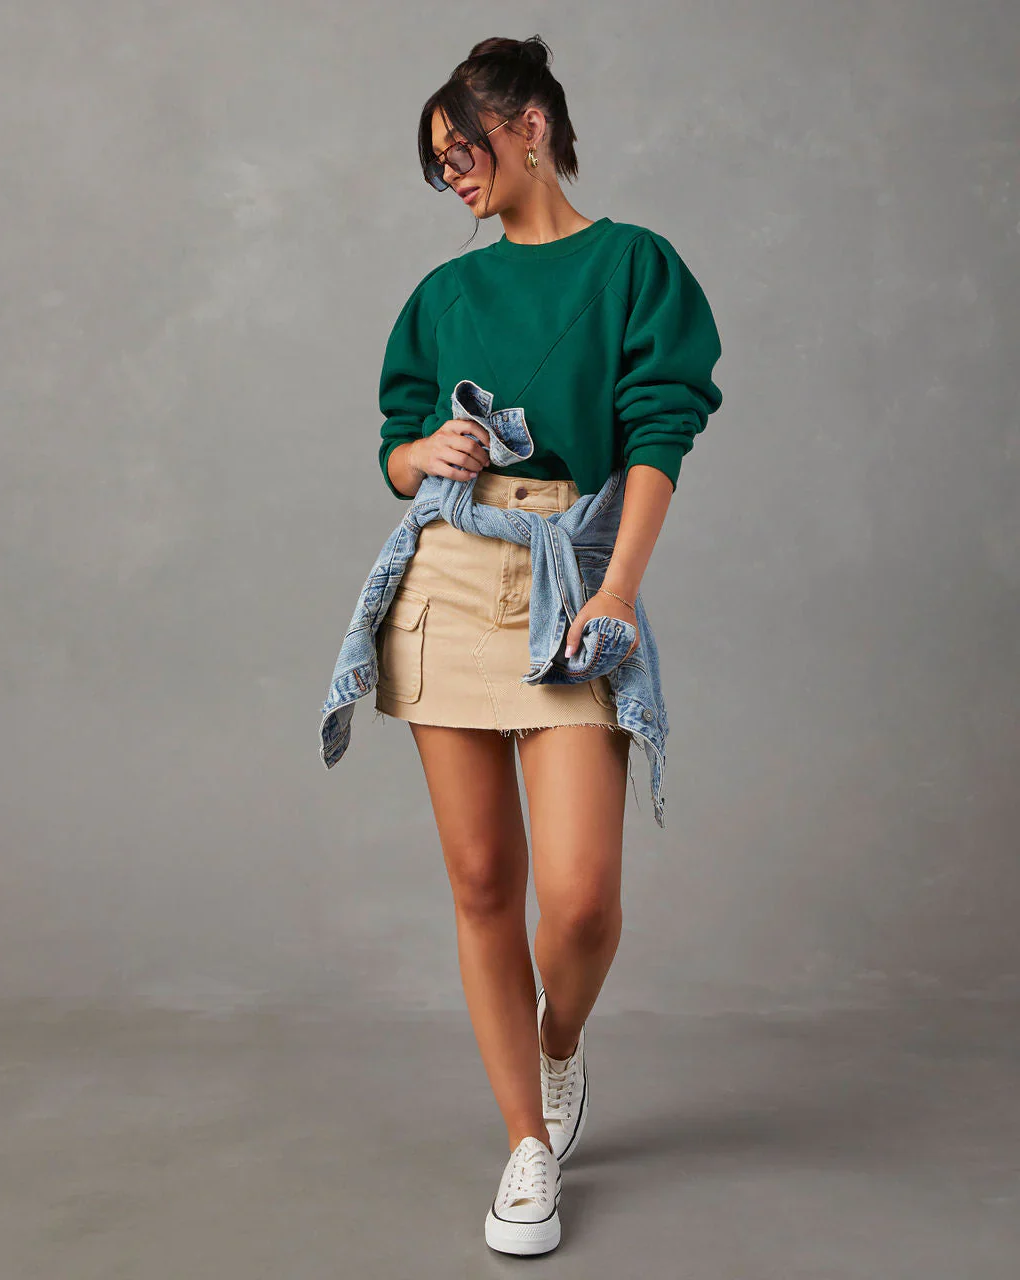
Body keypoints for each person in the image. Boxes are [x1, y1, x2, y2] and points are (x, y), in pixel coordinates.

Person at [372, 34, 723, 1256]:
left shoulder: (634, 266)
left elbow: (659, 430)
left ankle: (556, 1045)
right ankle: (526, 1140)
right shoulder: (443, 295)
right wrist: (424, 453)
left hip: (574, 577)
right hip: (448, 577)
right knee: (481, 881)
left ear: (529, 125)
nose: (452, 176)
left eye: (460, 149)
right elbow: (394, 444)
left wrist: (616, 589)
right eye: (437, 165)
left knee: (577, 898)